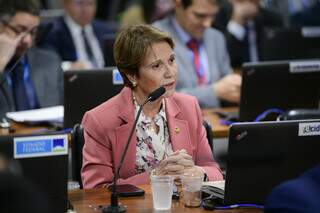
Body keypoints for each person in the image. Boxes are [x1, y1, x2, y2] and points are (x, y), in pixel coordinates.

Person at [81, 24, 223, 188]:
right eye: (157, 65)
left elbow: (214, 171)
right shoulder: (100, 120)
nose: (170, 72)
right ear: (132, 75)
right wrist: (156, 176)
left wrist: (196, 172)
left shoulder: (188, 106)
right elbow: (95, 190)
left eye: (171, 60)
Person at [153, 0, 241, 108]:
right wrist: (214, 92)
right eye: (200, 16)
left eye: (213, 16)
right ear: (177, 4)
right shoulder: (154, 39)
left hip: (216, 120)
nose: (208, 24)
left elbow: (227, 84)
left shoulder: (216, 37)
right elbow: (159, 96)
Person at [0, 0, 63, 118]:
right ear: (1, 25)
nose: (27, 41)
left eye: (33, 32)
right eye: (19, 30)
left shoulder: (50, 62)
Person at [40, 0, 117, 69]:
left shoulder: (106, 30)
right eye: (79, 3)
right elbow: (47, 63)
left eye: (90, 3)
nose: (85, 9)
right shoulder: (52, 32)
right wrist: (69, 66)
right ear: (65, 4)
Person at [224, 0, 283, 68]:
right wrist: (237, 22)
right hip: (235, 75)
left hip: (264, 73)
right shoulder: (219, 15)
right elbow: (225, 57)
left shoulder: (272, 20)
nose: (247, 3)